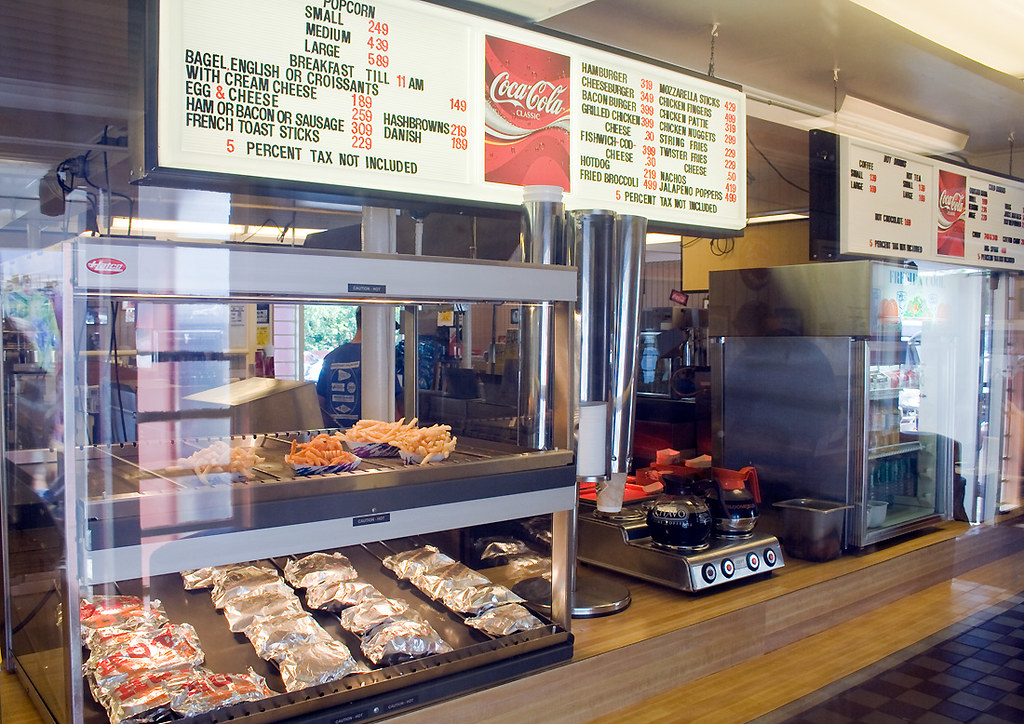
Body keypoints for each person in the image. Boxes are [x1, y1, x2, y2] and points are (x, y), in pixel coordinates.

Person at [316, 308, 403, 429]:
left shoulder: (331, 357)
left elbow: (320, 403)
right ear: (380, 325)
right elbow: (394, 411)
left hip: (336, 439)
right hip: (370, 439)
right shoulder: (378, 362)